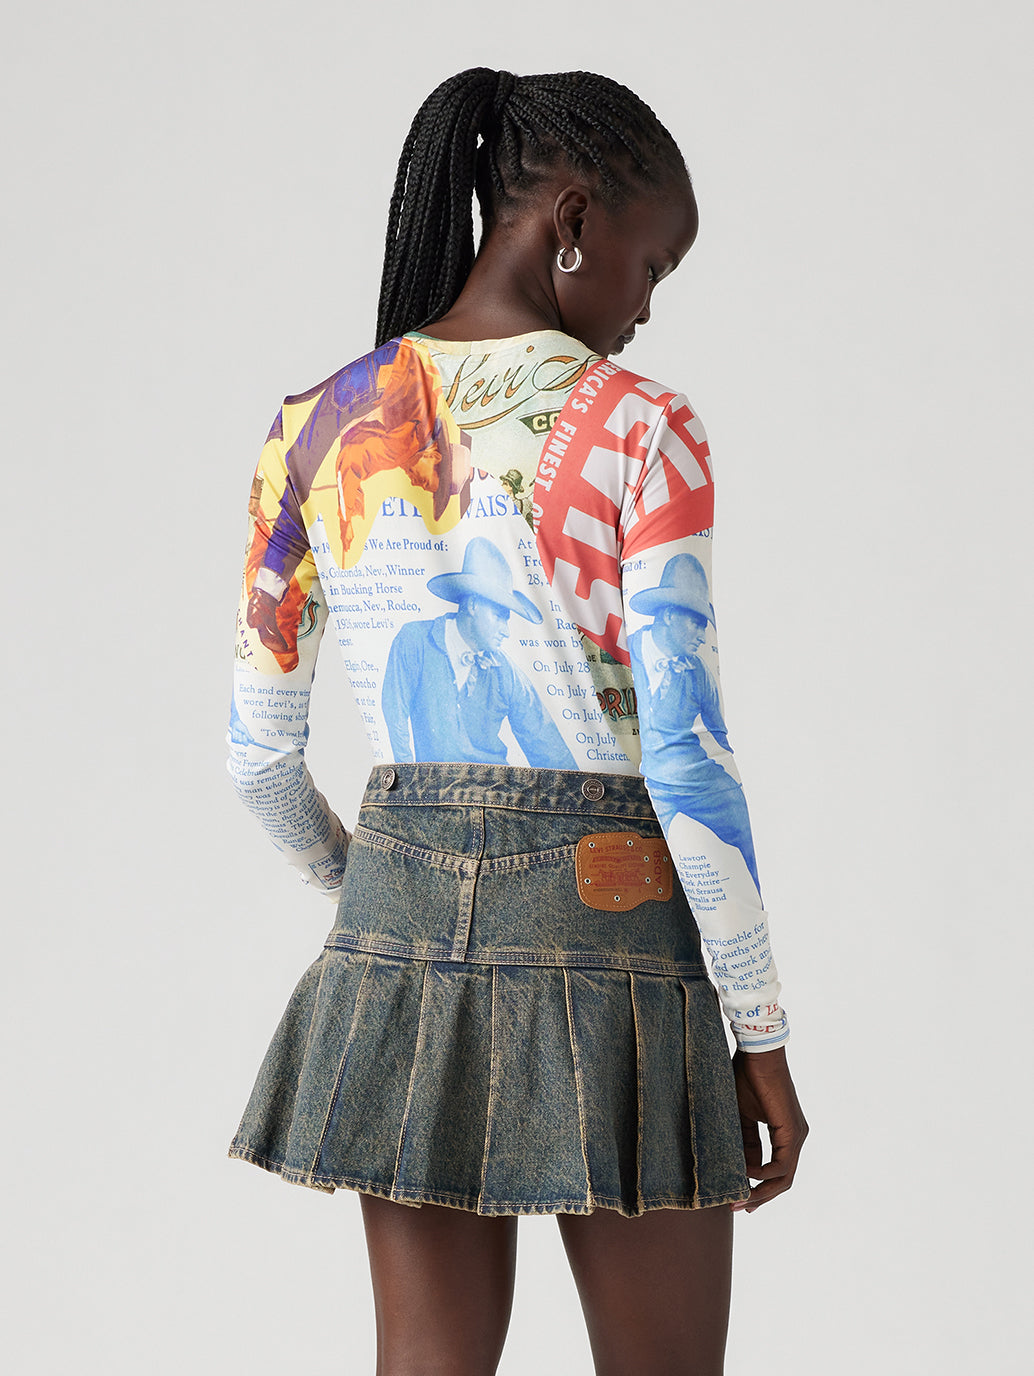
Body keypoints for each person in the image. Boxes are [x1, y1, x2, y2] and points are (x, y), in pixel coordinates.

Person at [227, 67, 808, 1376]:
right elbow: (685, 761)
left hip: (398, 933)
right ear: (573, 219)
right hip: (618, 930)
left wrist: (375, 886)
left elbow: (257, 759)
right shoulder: (644, 429)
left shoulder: (313, 427)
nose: (645, 308)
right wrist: (759, 1030)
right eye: (652, 265)